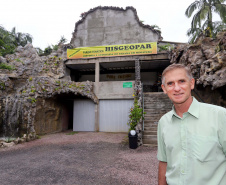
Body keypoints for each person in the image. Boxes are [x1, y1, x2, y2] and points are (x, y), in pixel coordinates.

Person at [157, 64, 226, 185]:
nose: (177, 88)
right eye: (170, 83)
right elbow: (164, 161)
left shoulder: (220, 116)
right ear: (164, 88)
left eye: (182, 81)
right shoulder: (163, 122)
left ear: (192, 83)